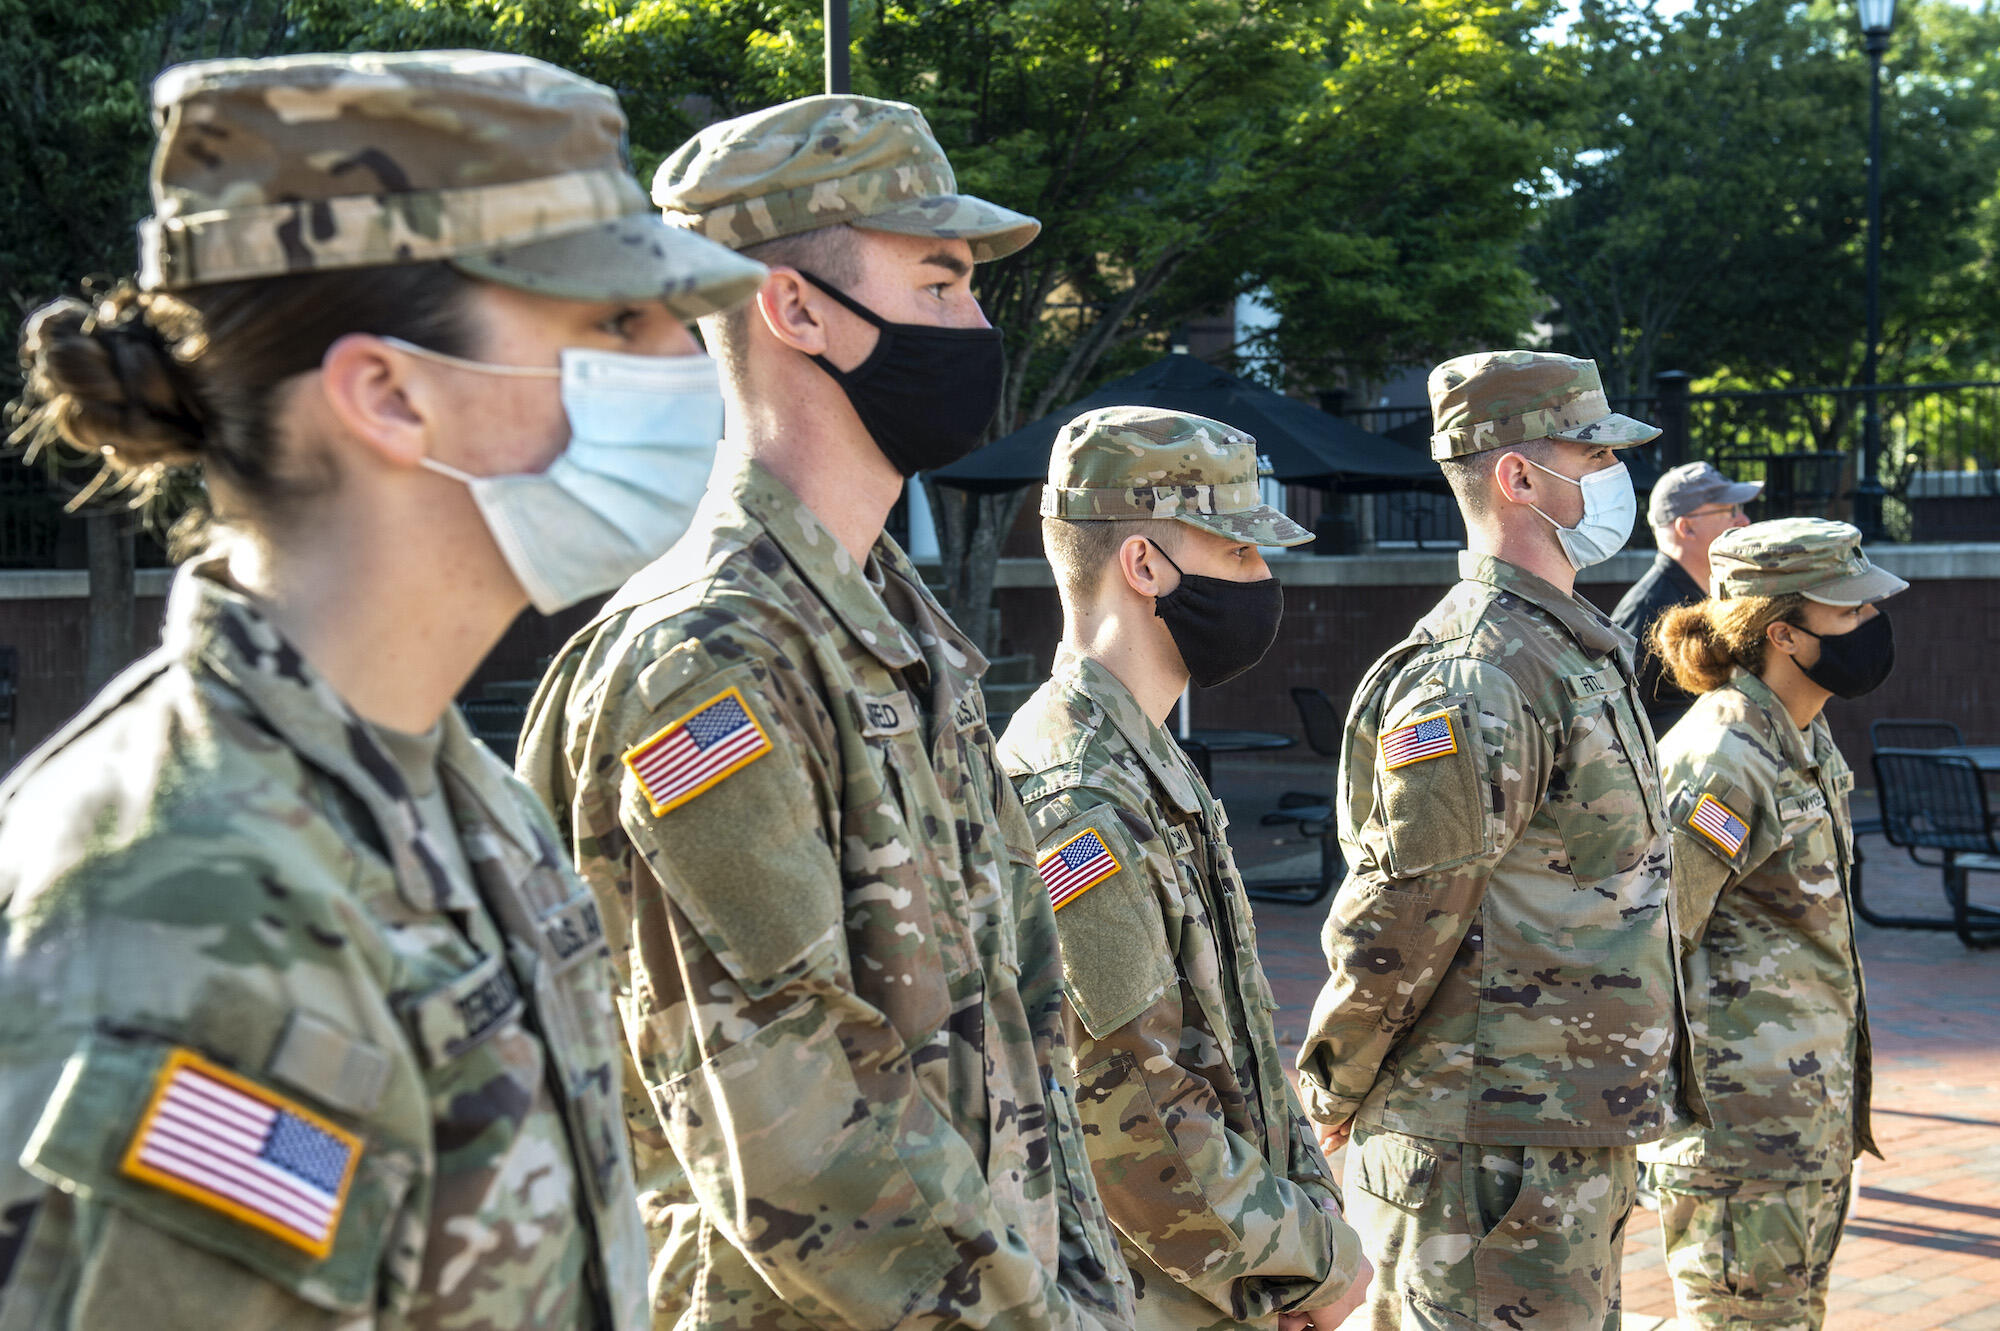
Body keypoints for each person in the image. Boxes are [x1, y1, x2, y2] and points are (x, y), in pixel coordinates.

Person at [0, 51, 766, 1329]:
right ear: (389, 394)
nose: (684, 364)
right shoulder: (176, 899)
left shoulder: (459, 791)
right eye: (615, 324)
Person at [516, 95, 1134, 1330]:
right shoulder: (709, 659)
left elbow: (1024, 1037)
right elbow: (797, 1124)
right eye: (941, 282)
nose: (973, 325)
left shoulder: (896, 633)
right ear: (794, 307)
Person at [1296, 350, 1700, 1331]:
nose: (1612, 474)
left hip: (1554, 1134)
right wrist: (1328, 1083)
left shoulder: (1568, 647)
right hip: (1482, 1150)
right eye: (1590, 451)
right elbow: (1401, 913)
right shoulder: (1474, 670)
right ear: (1516, 476)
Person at [997, 407, 1370, 1331]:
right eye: (1241, 553)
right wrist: (1314, 1261)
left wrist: (1308, 1227)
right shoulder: (1077, 796)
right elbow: (1134, 1106)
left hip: (1224, 1284)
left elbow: (1235, 1037)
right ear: (1145, 566)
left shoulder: (1144, 760)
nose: (1264, 579)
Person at [1640, 517, 1900, 1330]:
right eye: (1850, 612)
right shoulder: (1724, 756)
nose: (1872, 624)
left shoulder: (1800, 733)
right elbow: (1649, 936)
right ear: (1783, 632)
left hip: (1801, 1127)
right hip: (1739, 1144)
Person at [1613, 461, 1761, 732]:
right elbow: (1618, 725)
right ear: (1686, 528)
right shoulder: (1645, 611)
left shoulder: (1715, 596)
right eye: (1730, 510)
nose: (1744, 521)